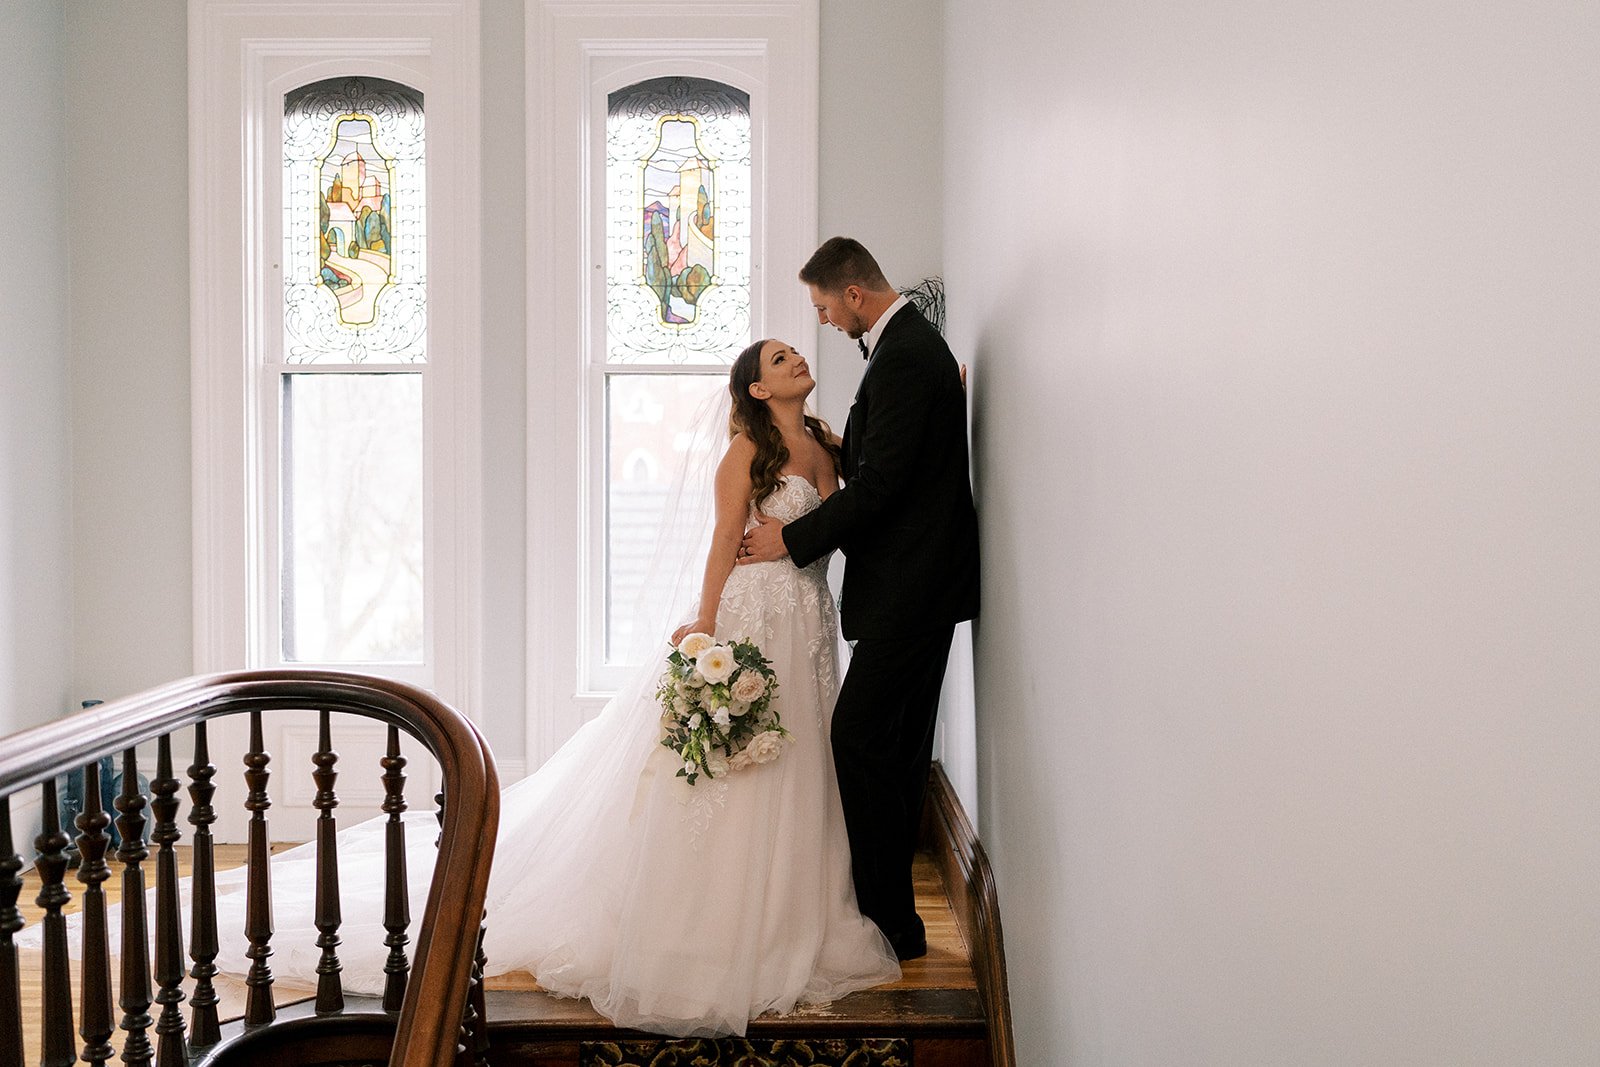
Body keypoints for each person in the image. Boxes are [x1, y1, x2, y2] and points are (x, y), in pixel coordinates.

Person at [199, 336, 901, 1037]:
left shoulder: (823, 442)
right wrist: (707, 626)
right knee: (742, 763)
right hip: (753, 614)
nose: (797, 360)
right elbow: (723, 540)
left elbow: (837, 525)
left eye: (794, 355)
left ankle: (792, 912)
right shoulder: (745, 454)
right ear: (755, 388)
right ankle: (721, 918)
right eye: (780, 359)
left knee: (804, 755)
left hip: (807, 616)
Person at [740, 237, 980, 962]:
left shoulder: (906, 353)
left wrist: (794, 538)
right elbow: (884, 460)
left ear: (852, 295)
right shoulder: (912, 353)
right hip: (916, 588)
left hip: (912, 589)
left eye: (823, 307)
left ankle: (883, 915)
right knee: (897, 750)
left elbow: (882, 488)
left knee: (863, 741)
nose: (826, 324)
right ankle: (893, 921)